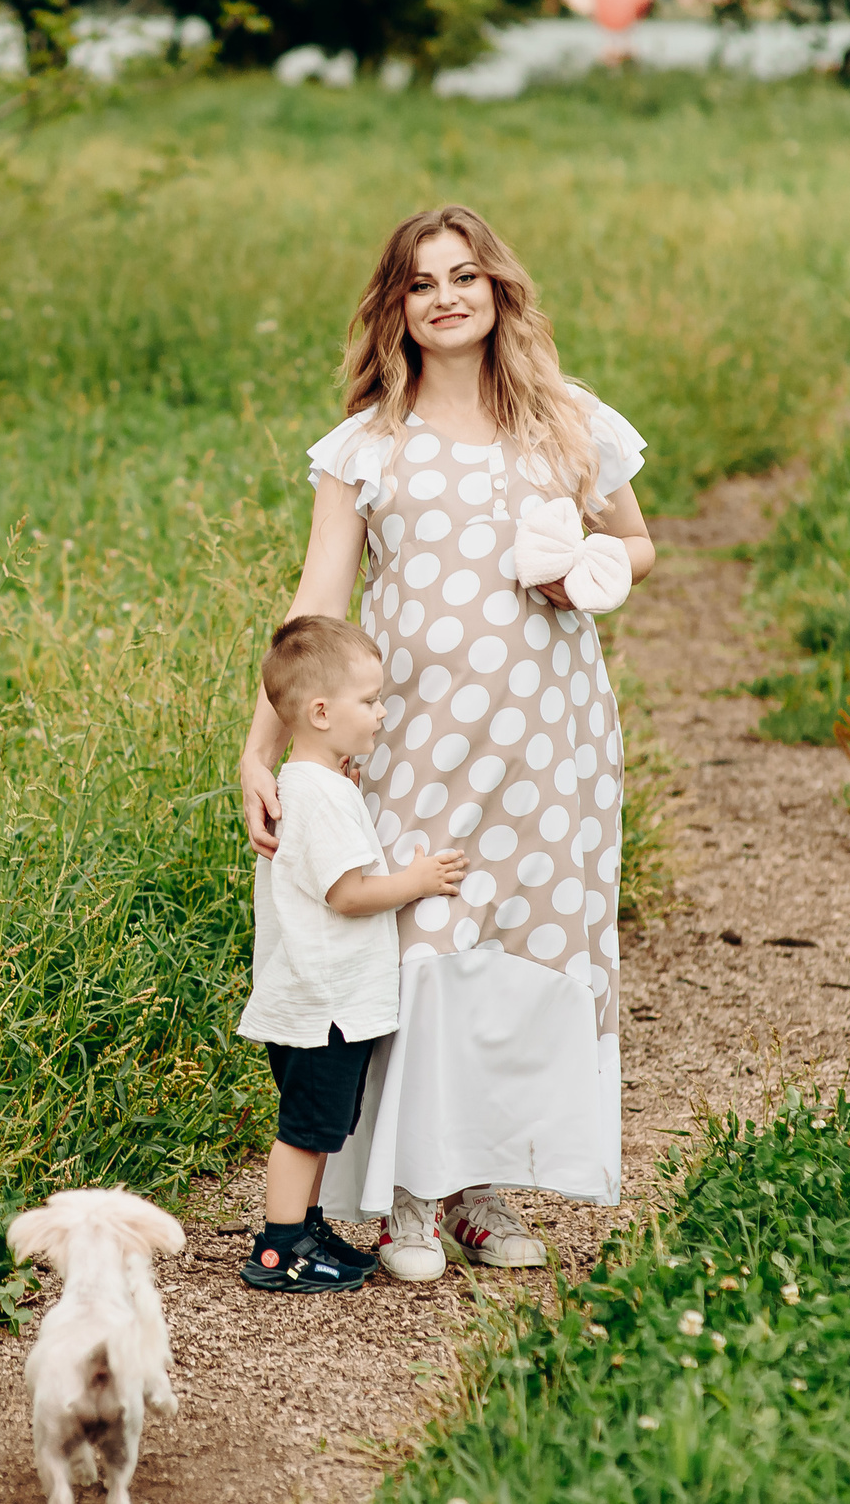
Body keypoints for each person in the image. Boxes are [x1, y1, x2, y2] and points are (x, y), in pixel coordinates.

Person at [235, 206, 656, 1284]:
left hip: (551, 739)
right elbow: (319, 603)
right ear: (398, 307)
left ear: (499, 288)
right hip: (418, 733)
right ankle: (408, 1195)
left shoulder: (567, 423)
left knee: (522, 943)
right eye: (421, 283)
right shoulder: (368, 443)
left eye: (464, 275)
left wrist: (581, 574)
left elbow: (635, 543)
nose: (446, 296)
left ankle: (483, 1186)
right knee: (423, 938)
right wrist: (261, 748)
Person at [236, 615, 466, 1293]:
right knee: (305, 1129)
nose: (380, 711)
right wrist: (416, 883)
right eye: (368, 700)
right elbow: (347, 891)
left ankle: (305, 1226)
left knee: (323, 1125)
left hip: (316, 997)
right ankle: (279, 1248)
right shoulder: (317, 795)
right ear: (320, 711)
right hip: (322, 1004)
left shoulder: (317, 784)